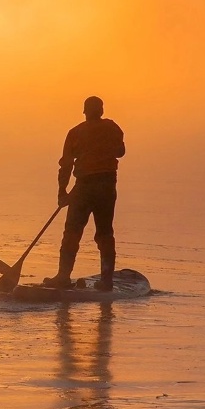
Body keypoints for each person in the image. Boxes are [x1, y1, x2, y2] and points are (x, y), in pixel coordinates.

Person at [44, 96, 125, 292]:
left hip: (84, 187)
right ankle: (106, 280)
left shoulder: (75, 132)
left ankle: (63, 277)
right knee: (105, 233)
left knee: (72, 232)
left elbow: (66, 164)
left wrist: (62, 191)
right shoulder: (112, 128)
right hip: (106, 186)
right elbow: (120, 152)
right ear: (101, 111)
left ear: (85, 112)